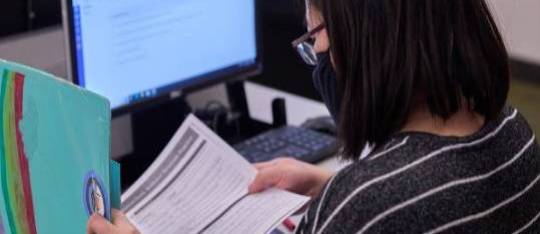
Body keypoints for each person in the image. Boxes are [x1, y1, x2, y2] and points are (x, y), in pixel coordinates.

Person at [87, 0, 540, 233]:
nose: (319, 58)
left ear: (365, 34)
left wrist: (346, 197)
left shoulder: (367, 207)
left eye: (317, 37)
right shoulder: (515, 133)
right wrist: (329, 187)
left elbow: (384, 212)